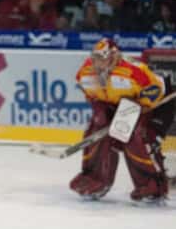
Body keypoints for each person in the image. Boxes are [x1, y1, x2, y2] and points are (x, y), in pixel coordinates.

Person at [70, 38, 173, 203]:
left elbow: (155, 92)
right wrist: (101, 111)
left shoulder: (133, 71)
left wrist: (133, 112)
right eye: (96, 58)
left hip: (155, 104)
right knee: (97, 130)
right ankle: (96, 180)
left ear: (114, 56)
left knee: (137, 137)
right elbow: (92, 96)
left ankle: (153, 187)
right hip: (121, 104)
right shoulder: (86, 73)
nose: (98, 63)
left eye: (102, 58)